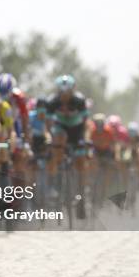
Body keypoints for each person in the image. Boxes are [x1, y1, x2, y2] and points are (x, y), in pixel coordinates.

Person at [46, 75, 89, 217]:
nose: (64, 96)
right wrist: (52, 138)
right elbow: (48, 121)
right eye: (62, 93)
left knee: (80, 162)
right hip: (61, 128)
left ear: (72, 91)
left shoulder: (80, 101)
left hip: (77, 130)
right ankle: (58, 174)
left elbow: (85, 121)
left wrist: (83, 139)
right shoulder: (52, 101)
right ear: (58, 92)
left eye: (67, 93)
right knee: (58, 139)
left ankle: (81, 194)